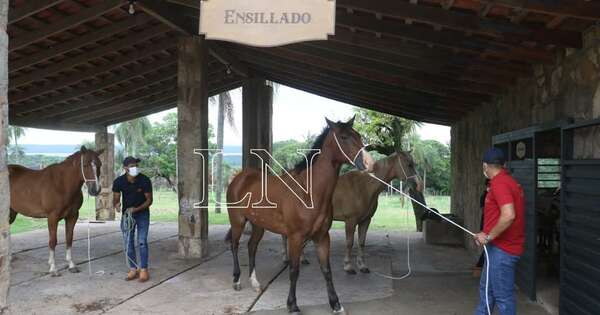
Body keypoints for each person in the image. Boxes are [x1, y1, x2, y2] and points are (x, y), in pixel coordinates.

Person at [473, 147, 525, 315]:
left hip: (503, 251)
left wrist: (487, 237)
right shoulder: (506, 181)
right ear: (503, 164)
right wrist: (486, 236)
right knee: (486, 290)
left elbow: (509, 215)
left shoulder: (500, 183)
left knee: (503, 297)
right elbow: (499, 215)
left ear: (485, 166)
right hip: (496, 249)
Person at [112, 156, 153, 282]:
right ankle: (133, 269)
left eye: (136, 165)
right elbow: (116, 198)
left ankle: (144, 269)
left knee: (142, 241)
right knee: (128, 242)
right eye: (131, 166)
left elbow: (149, 200)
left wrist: (135, 209)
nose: (135, 168)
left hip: (142, 214)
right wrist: (117, 205)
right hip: (127, 216)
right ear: (125, 168)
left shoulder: (144, 180)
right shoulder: (119, 181)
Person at [473, 178, 490, 277]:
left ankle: (480, 265)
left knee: (488, 247)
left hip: (488, 223)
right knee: (487, 246)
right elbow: (484, 211)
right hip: (486, 223)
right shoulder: (485, 195)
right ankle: (480, 265)